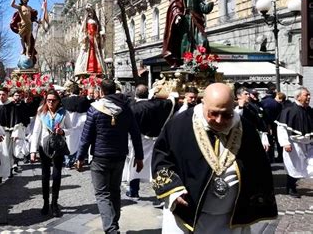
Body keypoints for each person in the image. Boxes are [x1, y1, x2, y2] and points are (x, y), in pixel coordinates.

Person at [152, 83, 277, 233]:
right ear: (203, 103)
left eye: (226, 114)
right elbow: (161, 160)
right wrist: (172, 190)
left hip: (232, 219)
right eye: (213, 113)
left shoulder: (246, 129)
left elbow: (259, 166)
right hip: (188, 216)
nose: (219, 120)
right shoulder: (179, 125)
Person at [76, 79, 144, 234]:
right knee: (114, 191)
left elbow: (86, 136)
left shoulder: (95, 109)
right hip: (119, 156)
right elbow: (135, 134)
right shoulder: (126, 109)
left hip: (100, 157)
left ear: (101, 91)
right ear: (115, 90)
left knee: (102, 194)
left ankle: (111, 229)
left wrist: (80, 158)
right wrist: (139, 157)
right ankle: (114, 223)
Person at [124, 85, 176, 200]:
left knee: (135, 164)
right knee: (157, 165)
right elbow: (171, 100)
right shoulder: (158, 105)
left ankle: (133, 191)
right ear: (148, 94)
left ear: (135, 94)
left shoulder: (132, 107)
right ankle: (161, 193)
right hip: (156, 141)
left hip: (139, 140)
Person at [30, 90, 72, 217]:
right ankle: (45, 202)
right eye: (49, 100)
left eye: (53, 100)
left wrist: (62, 132)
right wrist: (33, 151)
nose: (51, 103)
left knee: (57, 175)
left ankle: (54, 203)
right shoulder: (41, 112)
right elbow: (36, 132)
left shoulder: (64, 113)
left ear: (58, 101)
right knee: (45, 175)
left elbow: (70, 129)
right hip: (44, 147)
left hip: (58, 147)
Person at [162, 0, 214, 67]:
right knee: (185, 41)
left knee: (203, 40)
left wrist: (211, 3)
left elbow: (203, 8)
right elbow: (175, 5)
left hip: (195, 21)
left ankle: (200, 60)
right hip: (185, 21)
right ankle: (185, 60)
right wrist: (177, 15)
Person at [276, 87, 313, 198]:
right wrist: (285, 143)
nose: (309, 97)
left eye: (309, 95)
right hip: (294, 144)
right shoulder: (288, 110)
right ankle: (291, 187)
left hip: (309, 143)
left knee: (311, 164)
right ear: (298, 96)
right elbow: (281, 128)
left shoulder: (310, 111)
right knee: (294, 166)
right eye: (306, 95)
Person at [0, 89, 30, 176]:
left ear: (7, 95)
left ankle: (9, 169)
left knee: (9, 152)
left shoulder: (12, 107)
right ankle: (0, 172)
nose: (1, 96)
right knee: (0, 152)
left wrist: (15, 133)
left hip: (9, 133)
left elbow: (16, 121)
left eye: (3, 94)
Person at [61, 83, 91, 168]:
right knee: (79, 143)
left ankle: (67, 162)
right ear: (79, 91)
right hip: (79, 125)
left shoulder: (64, 100)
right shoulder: (84, 100)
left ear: (70, 91)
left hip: (68, 125)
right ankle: (77, 160)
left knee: (67, 143)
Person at [74, 4, 107, 76]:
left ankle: (96, 69)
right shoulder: (85, 21)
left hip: (95, 40)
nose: (89, 13)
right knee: (87, 54)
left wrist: (101, 34)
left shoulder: (97, 21)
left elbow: (99, 30)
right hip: (88, 40)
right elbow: (82, 31)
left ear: (93, 11)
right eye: (88, 11)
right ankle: (86, 70)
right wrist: (85, 37)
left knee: (96, 54)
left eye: (90, 11)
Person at [10, 0, 38, 64]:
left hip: (29, 24)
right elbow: (12, 5)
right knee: (22, 38)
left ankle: (27, 53)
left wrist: (37, 21)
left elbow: (33, 16)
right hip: (22, 24)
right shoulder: (20, 7)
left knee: (28, 39)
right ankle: (23, 49)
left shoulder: (29, 7)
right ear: (21, 0)